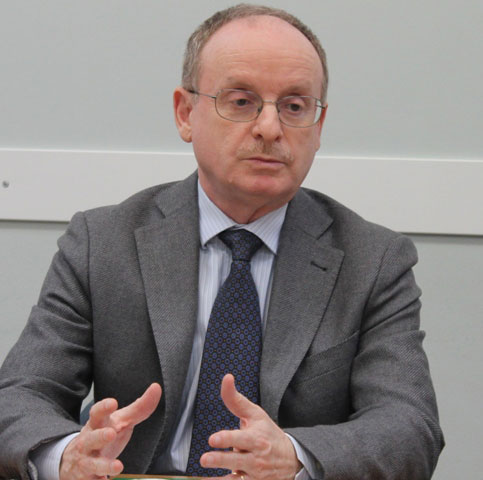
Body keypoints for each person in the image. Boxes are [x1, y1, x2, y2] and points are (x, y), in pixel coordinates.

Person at [0, 4, 444, 480]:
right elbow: (20, 396)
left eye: (295, 107)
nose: (270, 128)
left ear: (318, 127)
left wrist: (296, 457)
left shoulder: (372, 261)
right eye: (241, 101)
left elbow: (409, 427)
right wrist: (67, 455)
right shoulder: (102, 242)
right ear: (185, 113)